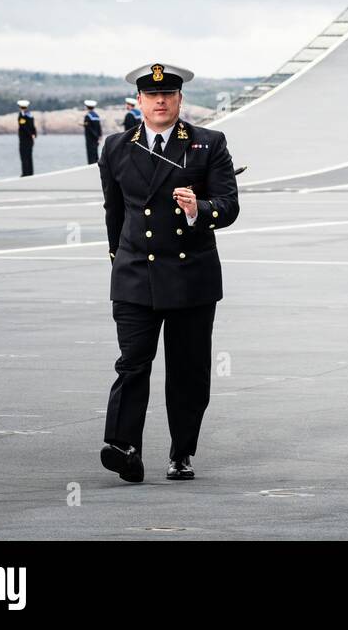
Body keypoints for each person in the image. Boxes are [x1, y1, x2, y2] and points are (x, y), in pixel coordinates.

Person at [98, 62, 240, 484]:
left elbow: (229, 205)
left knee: (188, 370)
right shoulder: (117, 147)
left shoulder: (207, 144)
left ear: (179, 100)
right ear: (138, 101)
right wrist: (117, 258)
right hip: (135, 274)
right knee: (132, 364)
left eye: (168, 95)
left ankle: (182, 452)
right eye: (152, 95)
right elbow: (113, 211)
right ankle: (124, 447)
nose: (160, 101)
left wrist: (199, 210)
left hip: (190, 277)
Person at [16, 100, 37, 177]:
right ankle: (30, 172)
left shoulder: (22, 116)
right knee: (29, 156)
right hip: (30, 140)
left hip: (24, 139)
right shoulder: (30, 115)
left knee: (24, 156)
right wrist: (34, 134)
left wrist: (31, 134)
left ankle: (25, 173)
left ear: (20, 107)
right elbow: (33, 126)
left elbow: (24, 127)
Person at [83, 99, 103, 165]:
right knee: (95, 153)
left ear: (87, 107)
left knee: (90, 154)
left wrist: (95, 136)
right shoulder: (96, 116)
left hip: (90, 139)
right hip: (96, 138)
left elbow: (89, 128)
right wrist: (99, 136)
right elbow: (99, 127)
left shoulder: (87, 116)